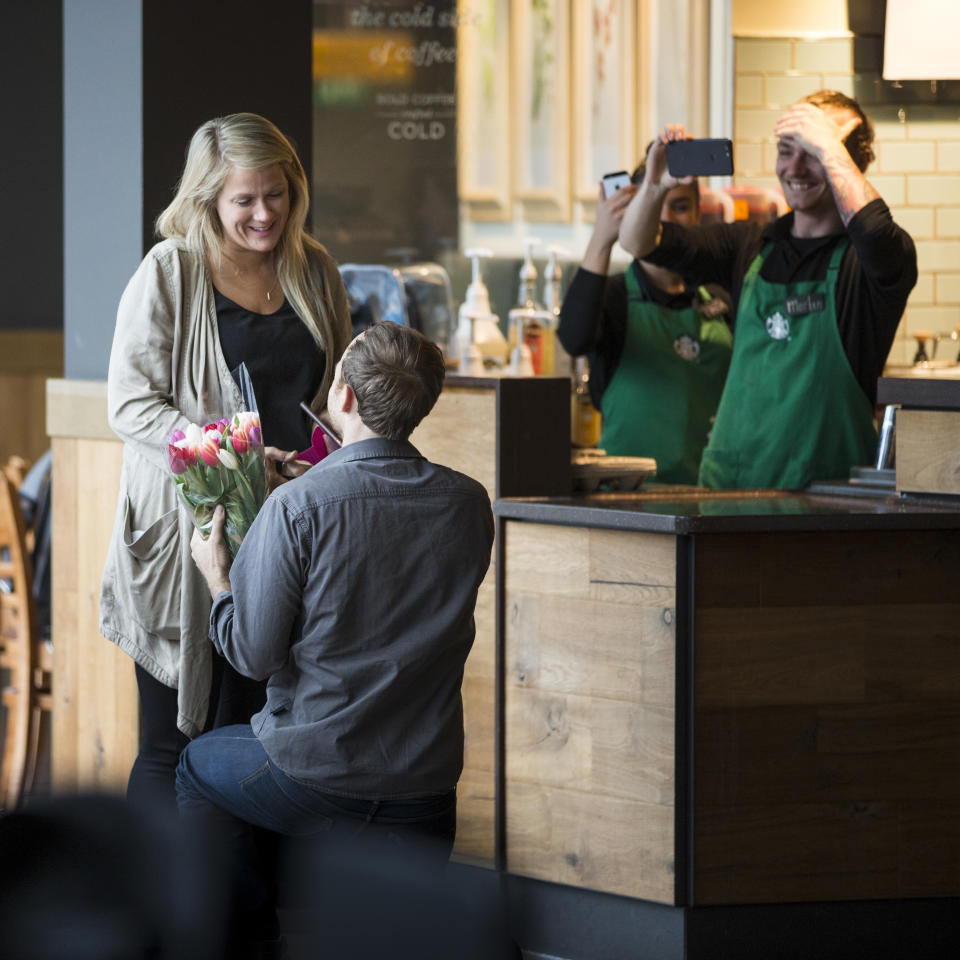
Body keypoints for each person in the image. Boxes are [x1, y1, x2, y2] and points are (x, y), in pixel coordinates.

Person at [177, 321, 495, 955]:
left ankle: (250, 943)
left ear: (343, 397)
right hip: (426, 792)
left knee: (193, 767)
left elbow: (252, 655)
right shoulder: (470, 503)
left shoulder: (297, 508)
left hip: (315, 776)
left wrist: (219, 581)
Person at [99, 113, 352, 813]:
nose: (264, 214)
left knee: (263, 735)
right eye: (244, 201)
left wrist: (315, 462)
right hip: (191, 541)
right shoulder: (170, 273)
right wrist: (239, 458)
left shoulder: (316, 270)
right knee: (174, 738)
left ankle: (246, 916)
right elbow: (130, 406)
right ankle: (156, 915)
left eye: (274, 195)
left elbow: (335, 399)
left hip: (290, 533)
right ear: (208, 198)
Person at [619, 90, 918, 490]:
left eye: (811, 151)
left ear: (855, 160)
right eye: (785, 150)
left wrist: (829, 148)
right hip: (727, 496)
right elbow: (639, 244)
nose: (794, 167)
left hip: (824, 505)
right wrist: (655, 184)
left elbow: (877, 234)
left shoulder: (866, 263)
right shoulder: (748, 246)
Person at [557, 157, 733, 484]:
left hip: (711, 495)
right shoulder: (614, 296)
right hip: (627, 500)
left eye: (680, 207)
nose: (666, 220)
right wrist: (602, 237)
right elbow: (574, 339)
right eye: (654, 207)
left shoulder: (721, 298)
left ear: (697, 213)